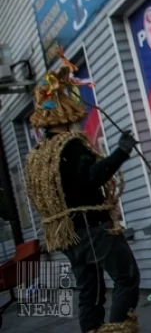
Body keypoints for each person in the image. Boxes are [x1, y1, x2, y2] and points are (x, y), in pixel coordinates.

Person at [25, 63, 141, 333]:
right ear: (65, 118)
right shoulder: (71, 146)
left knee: (91, 289)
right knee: (126, 278)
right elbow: (92, 177)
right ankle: (118, 331)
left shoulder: (40, 154)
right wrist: (121, 152)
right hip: (93, 229)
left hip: (68, 235)